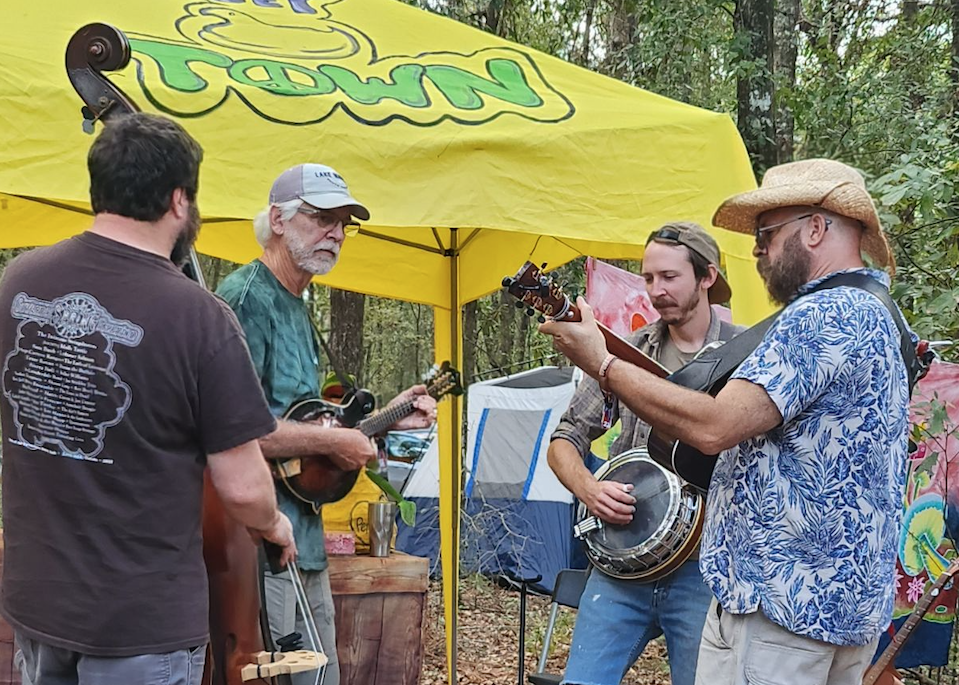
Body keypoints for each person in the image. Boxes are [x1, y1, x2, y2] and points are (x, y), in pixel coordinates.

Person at [542, 159, 913, 685]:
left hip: (780, 613)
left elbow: (716, 426)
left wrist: (601, 363)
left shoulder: (821, 315)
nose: (758, 249)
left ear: (814, 228)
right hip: (840, 610)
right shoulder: (880, 314)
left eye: (766, 233)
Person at [0, 113, 296, 685]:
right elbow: (239, 485)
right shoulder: (201, 318)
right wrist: (273, 524)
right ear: (179, 200)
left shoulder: (18, 283)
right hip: (139, 625)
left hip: (37, 603)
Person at [216, 163, 437, 685]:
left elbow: (306, 431)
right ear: (277, 219)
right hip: (260, 542)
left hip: (305, 536)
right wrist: (333, 438)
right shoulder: (247, 299)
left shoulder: (297, 304)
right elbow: (235, 429)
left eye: (343, 223)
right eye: (320, 218)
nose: (335, 233)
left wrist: (388, 418)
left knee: (321, 677)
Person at [549, 222, 743, 685]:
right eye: (649, 278)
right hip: (622, 567)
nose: (656, 290)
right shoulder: (624, 354)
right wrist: (589, 489)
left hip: (704, 572)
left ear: (707, 277)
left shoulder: (744, 354)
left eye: (670, 277)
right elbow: (566, 437)